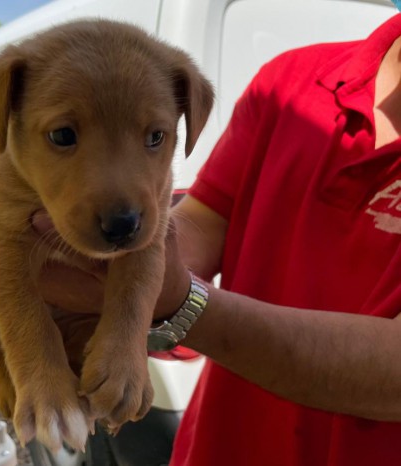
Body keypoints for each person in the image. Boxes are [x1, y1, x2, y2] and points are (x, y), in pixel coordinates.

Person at [23, 11, 401, 466]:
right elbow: (201, 224)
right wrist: (99, 286)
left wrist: (178, 304)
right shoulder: (292, 83)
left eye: (155, 137)